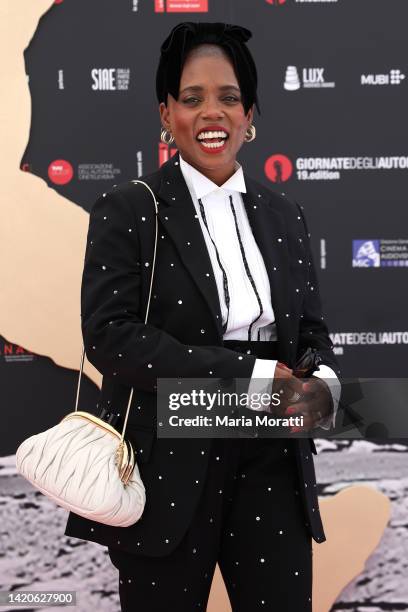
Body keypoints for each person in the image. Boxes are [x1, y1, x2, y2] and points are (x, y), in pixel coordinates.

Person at [64, 21, 341, 611]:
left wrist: (323, 380)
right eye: (191, 99)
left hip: (272, 453)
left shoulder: (285, 214)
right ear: (165, 113)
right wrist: (249, 379)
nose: (211, 113)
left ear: (249, 113)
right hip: (168, 460)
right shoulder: (128, 209)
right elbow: (110, 338)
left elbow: (309, 331)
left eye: (229, 97)